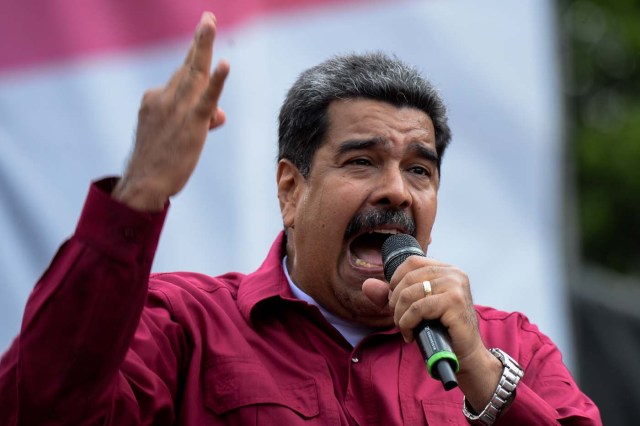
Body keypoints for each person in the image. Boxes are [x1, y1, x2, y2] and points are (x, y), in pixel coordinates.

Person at [0, 11, 600, 426]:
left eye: (420, 171)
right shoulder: (185, 326)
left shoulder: (509, 347)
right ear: (291, 189)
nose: (396, 191)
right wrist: (139, 193)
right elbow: (38, 408)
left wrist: (480, 374)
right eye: (362, 161)